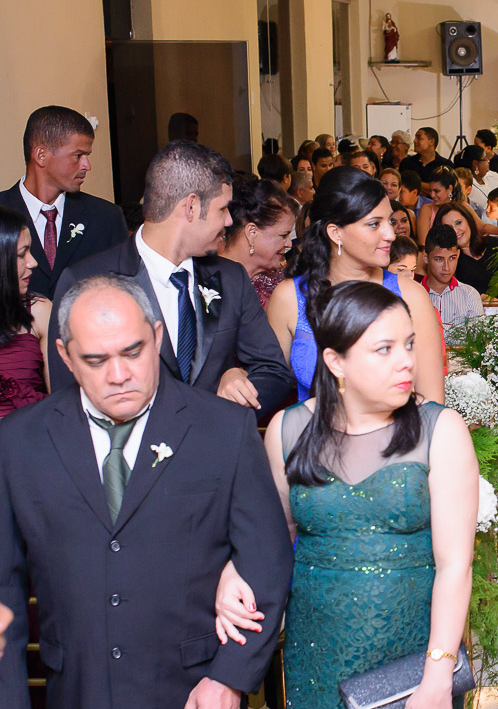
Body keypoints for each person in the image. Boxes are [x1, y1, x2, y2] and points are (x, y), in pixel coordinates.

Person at [0, 274, 293, 709]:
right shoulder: (20, 441)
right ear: (64, 355)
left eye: (132, 352)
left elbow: (266, 558)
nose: (119, 375)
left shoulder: (223, 429)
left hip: (194, 690)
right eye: (96, 360)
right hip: (77, 691)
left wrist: (229, 677)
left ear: (156, 336)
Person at [247, 281, 475, 709]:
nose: (407, 361)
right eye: (384, 349)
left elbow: (455, 565)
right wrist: (232, 576)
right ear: (336, 361)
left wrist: (439, 672)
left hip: (411, 658)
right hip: (315, 652)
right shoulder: (288, 429)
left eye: (409, 344)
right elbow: (270, 545)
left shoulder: (439, 429)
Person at [49, 140, 293, 420]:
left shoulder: (230, 278)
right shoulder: (85, 282)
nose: (228, 221)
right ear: (191, 207)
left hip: (212, 451)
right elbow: (67, 400)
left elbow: (273, 371)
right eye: (222, 209)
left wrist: (236, 390)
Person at [269, 166, 443, 405]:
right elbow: (269, 386)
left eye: (389, 222)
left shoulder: (411, 296)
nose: (390, 234)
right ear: (335, 232)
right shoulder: (289, 297)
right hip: (312, 437)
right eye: (374, 224)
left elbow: (431, 403)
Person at [0, 106, 127, 298]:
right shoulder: (3, 212)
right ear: (41, 155)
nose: (87, 166)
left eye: (87, 156)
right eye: (78, 155)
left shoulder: (106, 218)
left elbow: (124, 292)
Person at [0, 207, 50, 418]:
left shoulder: (40, 311)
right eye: (22, 254)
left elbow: (64, 399)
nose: (33, 262)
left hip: (31, 441)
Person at [219, 177, 298, 309]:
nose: (289, 244)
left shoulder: (286, 284)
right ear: (252, 232)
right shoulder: (207, 282)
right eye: (283, 235)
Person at [422, 224, 484, 340]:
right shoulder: (414, 295)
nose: (447, 267)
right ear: (425, 257)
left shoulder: (470, 295)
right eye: (439, 259)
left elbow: (476, 342)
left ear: (458, 255)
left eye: (452, 258)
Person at [436, 201, 498, 295]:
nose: (455, 231)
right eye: (449, 229)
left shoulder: (496, 245)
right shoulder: (450, 262)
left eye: (459, 223)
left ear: (468, 221)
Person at [399, 127, 453, 193]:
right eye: (415, 137)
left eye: (419, 138)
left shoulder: (445, 165)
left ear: (431, 141)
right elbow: (402, 186)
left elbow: (445, 191)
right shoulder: (407, 162)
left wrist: (414, 184)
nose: (414, 141)